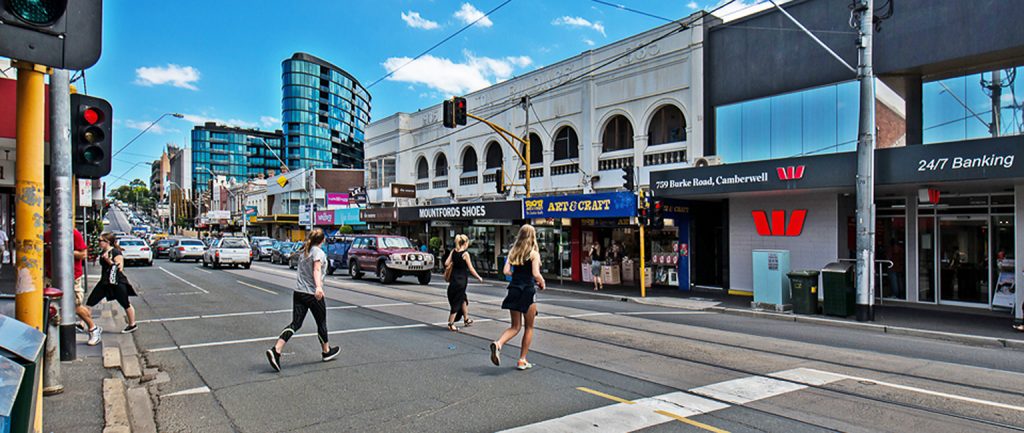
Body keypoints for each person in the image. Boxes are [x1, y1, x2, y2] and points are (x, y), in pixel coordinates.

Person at [266, 228, 340, 372]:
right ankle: (326, 351)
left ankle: (276, 350)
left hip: (299, 292)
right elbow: (316, 269)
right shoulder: (317, 252)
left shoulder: (304, 251)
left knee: (296, 323)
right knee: (321, 322)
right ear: (322, 240)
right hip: (313, 294)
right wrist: (318, 287)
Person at [490, 224, 546, 370]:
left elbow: (506, 271)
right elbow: (535, 274)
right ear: (532, 237)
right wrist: (542, 281)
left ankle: (499, 344)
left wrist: (518, 275)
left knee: (515, 326)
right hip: (527, 291)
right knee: (529, 327)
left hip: (513, 289)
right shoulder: (534, 254)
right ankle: (522, 360)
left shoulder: (513, 252)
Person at [44, 225, 102, 345]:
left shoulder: (73, 234)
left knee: (73, 305)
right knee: (50, 304)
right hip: (51, 274)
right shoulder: (47, 235)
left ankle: (93, 328)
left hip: (71, 275)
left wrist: (63, 250)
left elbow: (83, 254)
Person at [85, 233, 139, 334]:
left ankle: (132, 324)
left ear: (107, 242)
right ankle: (83, 323)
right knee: (90, 302)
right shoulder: (103, 252)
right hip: (104, 282)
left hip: (116, 282)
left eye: (101, 241)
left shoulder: (115, 252)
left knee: (125, 303)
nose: (99, 243)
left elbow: (119, 268)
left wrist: (108, 260)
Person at [445, 234, 484, 332]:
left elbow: (446, 263)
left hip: (453, 280)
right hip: (461, 281)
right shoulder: (465, 254)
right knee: (457, 301)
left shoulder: (453, 251)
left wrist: (453, 263)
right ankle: (451, 323)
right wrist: (479, 277)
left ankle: (466, 319)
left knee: (463, 299)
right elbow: (471, 268)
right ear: (465, 243)